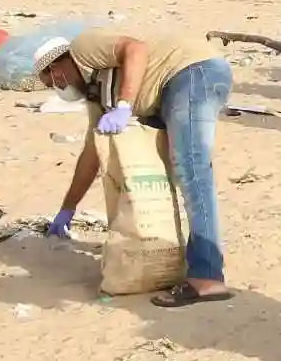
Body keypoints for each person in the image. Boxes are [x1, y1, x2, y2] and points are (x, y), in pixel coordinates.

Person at [33, 29, 234, 307]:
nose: (58, 85)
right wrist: (68, 208)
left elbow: (135, 49)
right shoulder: (98, 95)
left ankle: (207, 278)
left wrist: (125, 106)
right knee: (176, 173)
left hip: (191, 73)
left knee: (191, 167)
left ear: (58, 63)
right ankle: (186, 260)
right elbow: (93, 152)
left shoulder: (82, 48)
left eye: (54, 77)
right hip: (175, 89)